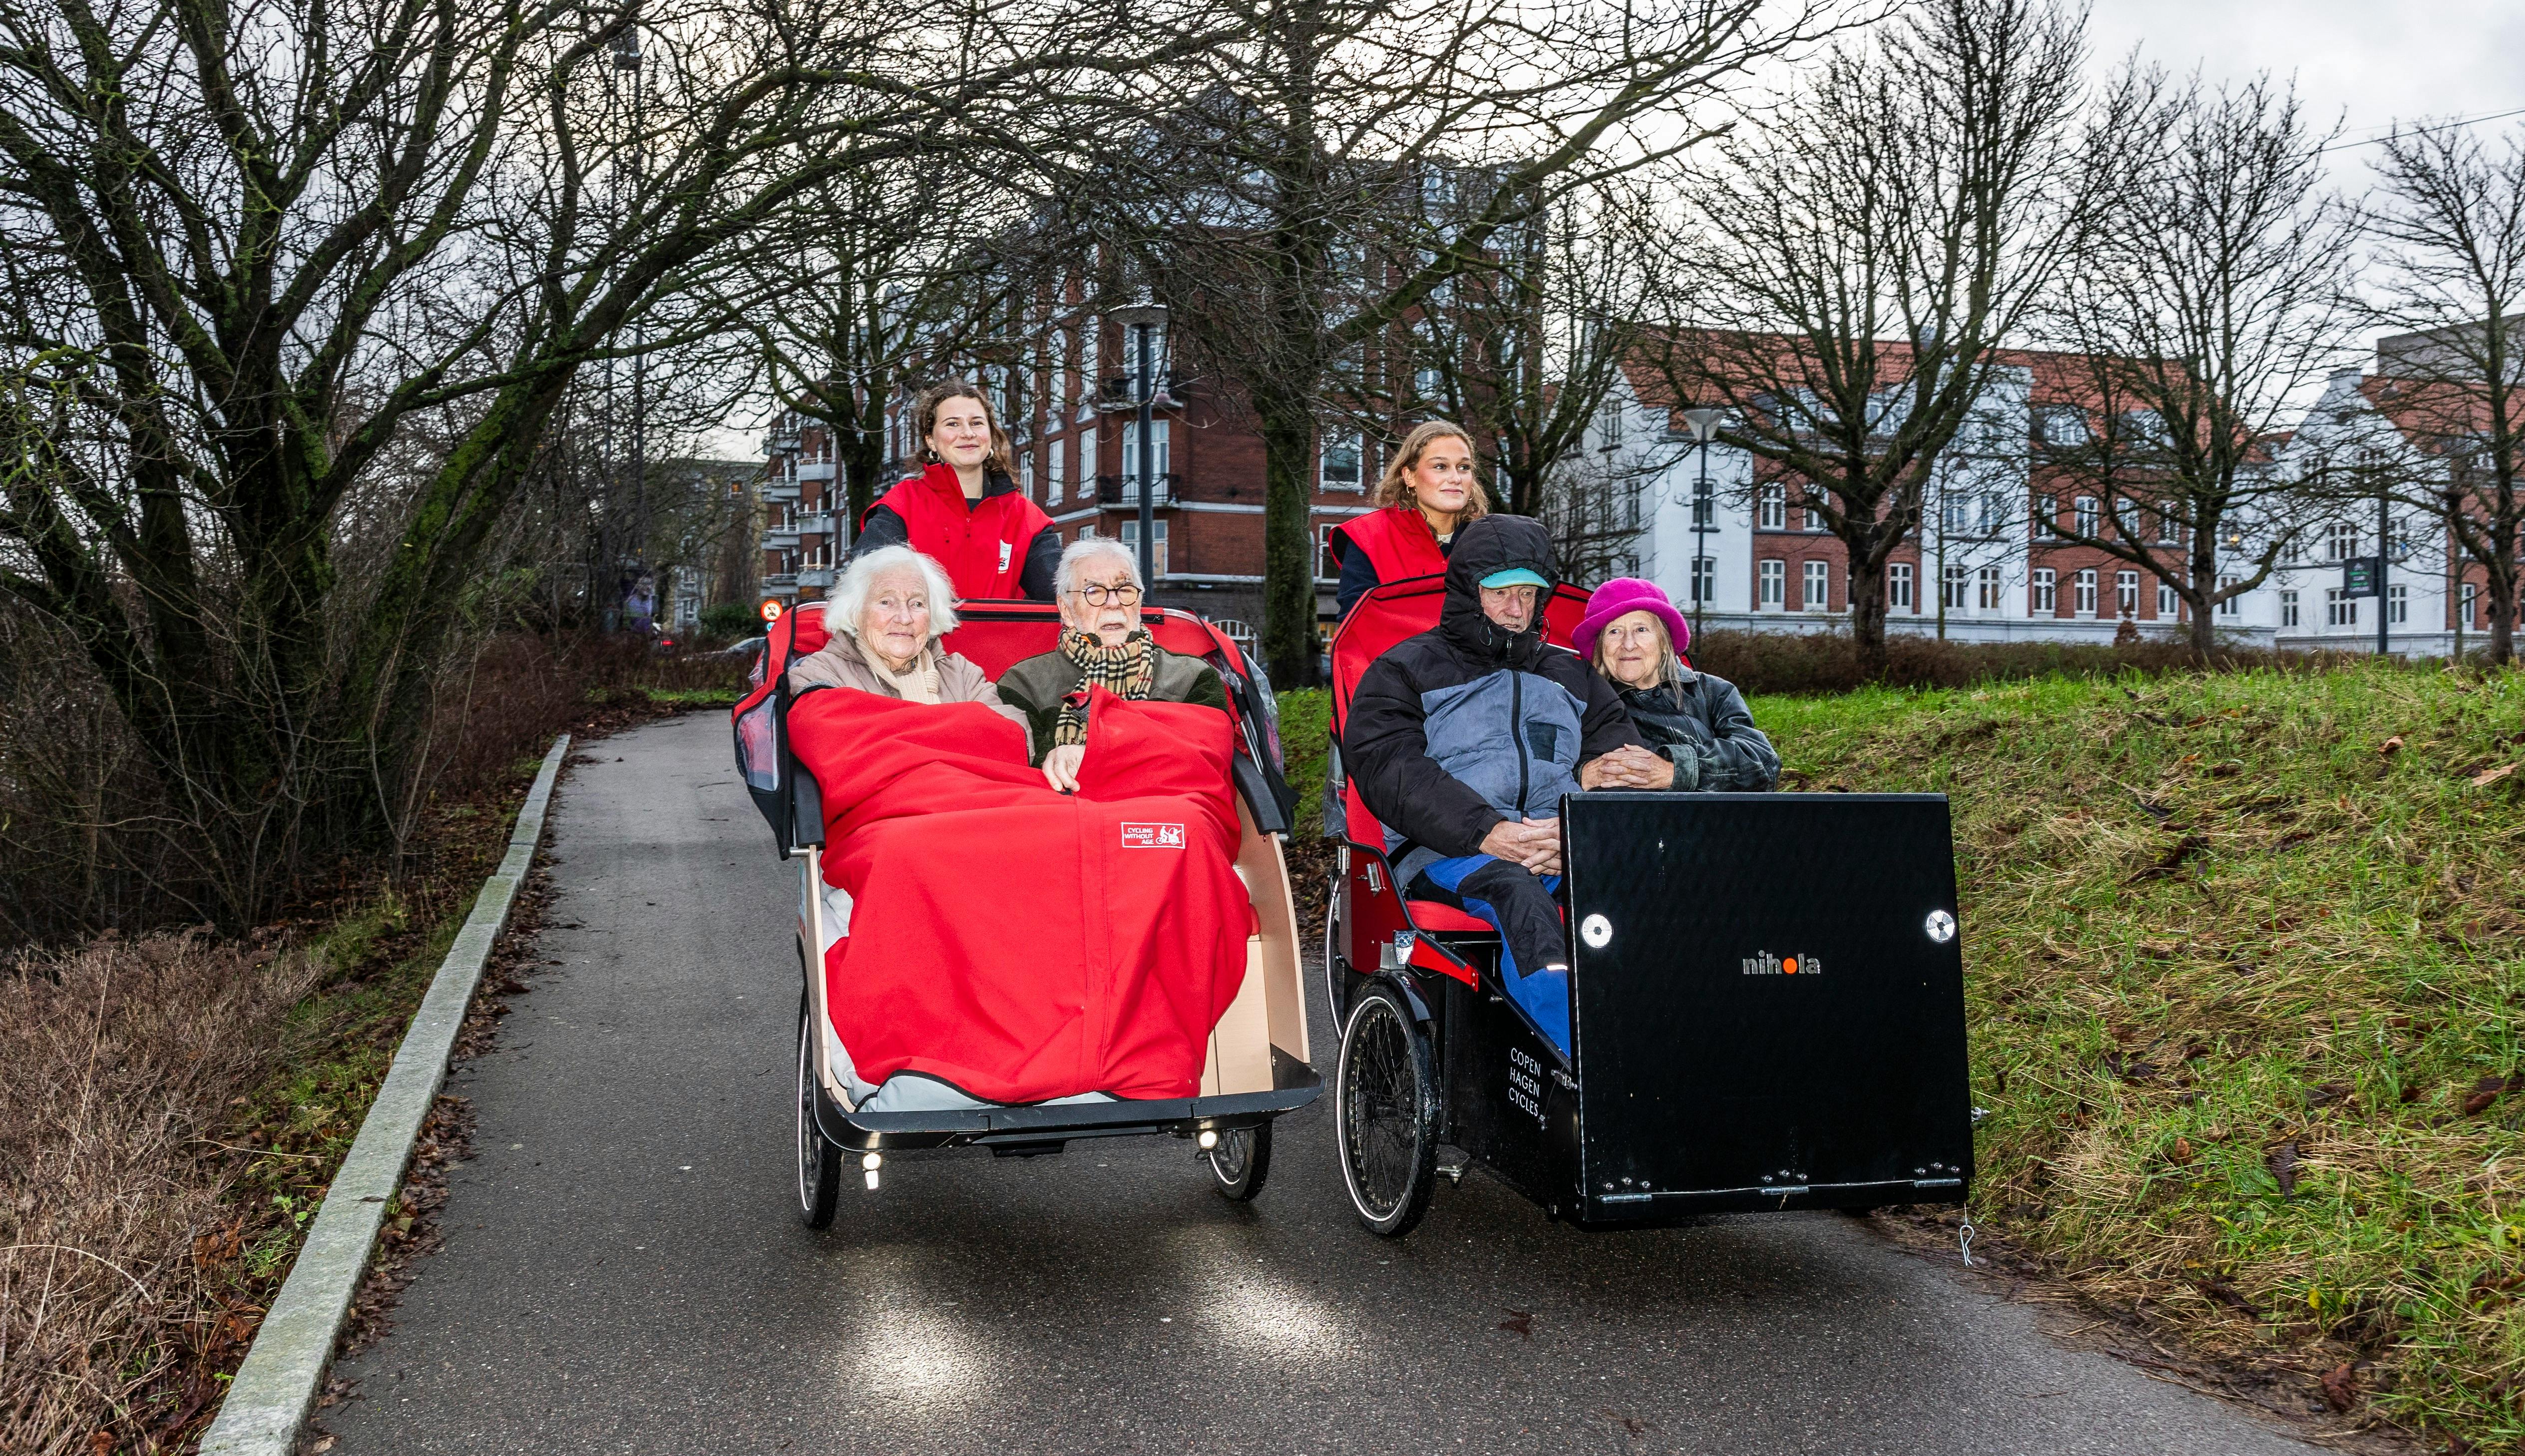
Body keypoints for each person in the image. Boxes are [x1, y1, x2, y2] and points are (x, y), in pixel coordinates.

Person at [1344, 515, 1664, 1056]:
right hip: (1447, 852)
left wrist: (1578, 837)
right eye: (1500, 593)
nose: (1517, 610)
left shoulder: (1573, 675)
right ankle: (1577, 1069)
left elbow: (1621, 767)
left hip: (1563, 848)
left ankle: (1673, 1054)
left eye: (1529, 593)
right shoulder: (1403, 670)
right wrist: (1488, 831)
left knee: (1656, 892)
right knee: (1516, 895)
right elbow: (1391, 769)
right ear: (1469, 591)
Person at [997, 537, 1228, 793]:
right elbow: (1013, 777)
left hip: (1163, 819)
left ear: (1139, 602)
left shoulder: (1192, 676)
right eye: (1094, 592)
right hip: (1061, 822)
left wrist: (1098, 754)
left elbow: (1207, 762)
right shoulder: (1024, 682)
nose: (1114, 602)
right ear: (1066, 609)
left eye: (1126, 590)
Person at [852, 379, 1059, 601]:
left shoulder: (1025, 517)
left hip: (1000, 636)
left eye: (977, 423)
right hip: (924, 635)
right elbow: (868, 583)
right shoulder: (902, 505)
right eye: (953, 424)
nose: (968, 433)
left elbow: (1061, 594)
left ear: (990, 435)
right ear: (931, 440)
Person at [1574, 579, 1780, 792]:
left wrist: (1675, 771)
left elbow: (1762, 763)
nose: (1628, 644)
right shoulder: (1581, 702)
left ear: (1665, 642)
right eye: (1614, 632)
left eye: (1641, 629)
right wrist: (1583, 775)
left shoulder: (1713, 691)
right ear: (1600, 647)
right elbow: (1548, 765)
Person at [788, 546, 1020, 724]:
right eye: (886, 602)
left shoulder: (962, 674)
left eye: (918, 603)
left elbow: (1012, 734)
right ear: (855, 611)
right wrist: (960, 728)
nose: (904, 617)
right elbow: (847, 747)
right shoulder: (818, 674)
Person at [1326, 419, 1490, 617]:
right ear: (1409, 476)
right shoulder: (1369, 537)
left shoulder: (1492, 540)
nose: (1456, 478)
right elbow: (1358, 626)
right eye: (1440, 466)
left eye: (1464, 467)